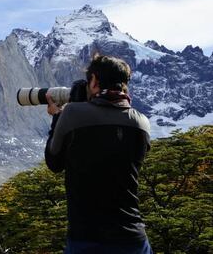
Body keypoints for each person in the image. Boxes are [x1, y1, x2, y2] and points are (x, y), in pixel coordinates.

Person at [45, 55, 153, 254]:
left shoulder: (72, 114)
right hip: (133, 239)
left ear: (94, 80)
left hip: (87, 239)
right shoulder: (142, 123)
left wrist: (57, 118)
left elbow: (54, 162)